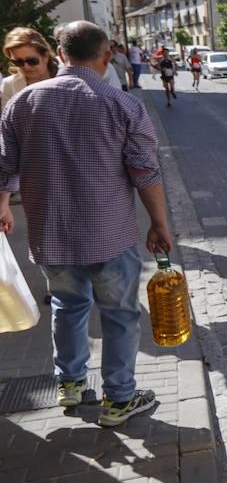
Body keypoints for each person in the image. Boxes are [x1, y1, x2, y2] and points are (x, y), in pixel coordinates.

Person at [0, 21, 174, 427]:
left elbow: (5, 168)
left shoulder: (21, 104)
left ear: (58, 55)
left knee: (67, 306)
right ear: (106, 55)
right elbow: (145, 171)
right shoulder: (123, 104)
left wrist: (4, 207)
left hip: (50, 234)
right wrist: (159, 223)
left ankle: (71, 384)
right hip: (108, 233)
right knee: (118, 315)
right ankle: (119, 399)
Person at [1, 27, 58, 110]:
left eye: (32, 61)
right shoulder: (9, 85)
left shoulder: (65, 77)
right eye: (18, 62)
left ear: (45, 56)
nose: (26, 66)